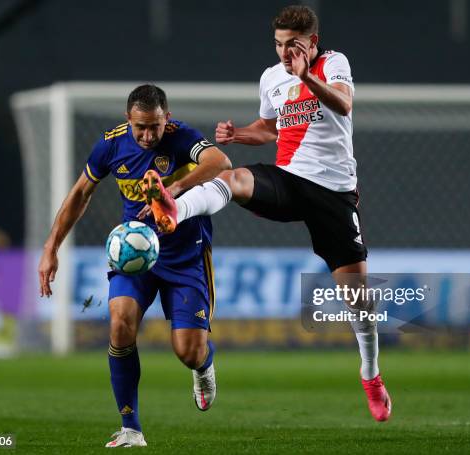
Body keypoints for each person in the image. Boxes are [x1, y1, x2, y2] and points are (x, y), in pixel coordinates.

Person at [141, 6, 391, 422]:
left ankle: (371, 374)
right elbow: (271, 128)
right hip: (288, 179)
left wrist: (306, 75)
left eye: (292, 45)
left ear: (312, 42)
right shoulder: (272, 78)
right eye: (277, 44)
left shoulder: (334, 63)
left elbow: (344, 105)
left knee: (358, 299)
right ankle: (176, 208)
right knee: (235, 176)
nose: (282, 53)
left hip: (333, 192)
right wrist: (240, 134)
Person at [38, 84, 231, 447]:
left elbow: (220, 162)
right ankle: (131, 428)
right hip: (134, 255)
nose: (147, 135)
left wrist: (173, 190)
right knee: (120, 324)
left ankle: (203, 366)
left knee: (188, 352)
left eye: (154, 127)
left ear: (166, 119)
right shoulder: (111, 144)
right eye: (140, 127)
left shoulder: (181, 137)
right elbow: (81, 192)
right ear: (128, 120)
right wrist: (51, 246)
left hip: (186, 256)